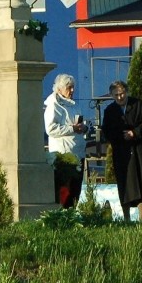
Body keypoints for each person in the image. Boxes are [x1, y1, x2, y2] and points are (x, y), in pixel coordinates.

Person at [103, 80, 142, 221]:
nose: (120, 97)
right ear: (112, 95)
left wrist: (135, 132)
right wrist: (120, 136)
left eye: (122, 93)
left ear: (127, 92)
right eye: (116, 95)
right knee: (124, 183)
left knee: (141, 181)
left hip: (139, 149)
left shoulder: (138, 105)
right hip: (121, 152)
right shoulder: (110, 111)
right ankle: (126, 218)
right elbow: (107, 130)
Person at [44, 73, 87, 208]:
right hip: (64, 156)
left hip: (78, 154)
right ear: (59, 89)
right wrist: (72, 129)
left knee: (76, 190)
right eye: (69, 87)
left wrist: (84, 127)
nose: (72, 90)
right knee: (65, 190)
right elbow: (50, 129)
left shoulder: (74, 105)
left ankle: (72, 216)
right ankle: (63, 217)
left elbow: (79, 125)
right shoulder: (53, 105)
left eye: (73, 87)